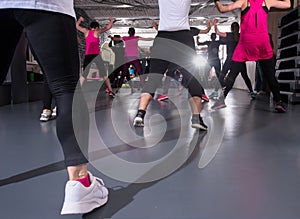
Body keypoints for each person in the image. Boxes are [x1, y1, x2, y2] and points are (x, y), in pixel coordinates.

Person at [0, 1, 108, 215]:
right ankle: (81, 184)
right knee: (66, 89)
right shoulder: (90, 32)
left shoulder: (93, 32)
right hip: (46, 5)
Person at [133, 0, 207, 131]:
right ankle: (196, 118)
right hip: (183, 38)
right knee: (192, 80)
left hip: (163, 38)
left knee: (154, 78)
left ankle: (140, 114)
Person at [213, 0, 290, 112]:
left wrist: (217, 1)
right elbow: (288, 4)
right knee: (270, 75)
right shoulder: (267, 1)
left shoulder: (244, 2)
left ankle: (221, 100)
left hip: (246, 43)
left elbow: (222, 9)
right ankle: (279, 102)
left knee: (233, 73)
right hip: (262, 42)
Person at [214, 20, 256, 101]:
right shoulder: (241, 36)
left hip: (230, 60)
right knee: (245, 77)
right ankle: (251, 92)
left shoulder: (229, 35)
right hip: (240, 60)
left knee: (222, 75)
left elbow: (218, 32)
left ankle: (216, 92)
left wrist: (215, 24)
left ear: (231, 28)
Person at [76, 16, 115, 97]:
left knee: (84, 75)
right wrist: (111, 20)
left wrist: (79, 20)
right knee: (104, 74)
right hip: (96, 56)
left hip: (88, 55)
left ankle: (77, 91)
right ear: (96, 27)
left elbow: (77, 26)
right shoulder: (97, 32)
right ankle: (110, 91)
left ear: (91, 27)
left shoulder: (86, 31)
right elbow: (108, 27)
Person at [197, 32, 223, 99]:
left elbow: (198, 43)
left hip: (210, 61)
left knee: (205, 75)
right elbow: (225, 42)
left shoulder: (209, 42)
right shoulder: (217, 42)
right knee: (218, 76)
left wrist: (197, 38)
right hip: (216, 61)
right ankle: (215, 92)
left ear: (211, 37)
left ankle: (202, 91)